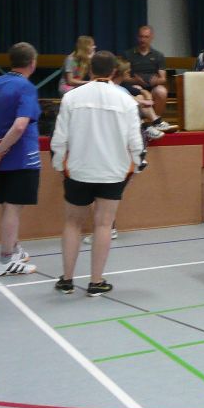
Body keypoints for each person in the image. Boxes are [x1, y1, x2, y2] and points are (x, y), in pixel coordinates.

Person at [51, 50, 146, 297]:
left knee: (72, 223)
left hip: (78, 170)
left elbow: (59, 138)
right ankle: (96, 281)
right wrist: (138, 164)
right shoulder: (126, 101)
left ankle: (67, 280)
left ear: (89, 69)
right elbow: (135, 140)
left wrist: (59, 165)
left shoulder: (71, 97)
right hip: (112, 173)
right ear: (114, 71)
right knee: (103, 224)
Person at [0, 42, 40, 276]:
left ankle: (13, 249)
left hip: (0, 160)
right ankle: (5, 260)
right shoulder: (26, 87)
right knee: (13, 207)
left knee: (9, 207)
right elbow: (21, 124)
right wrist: (0, 150)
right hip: (22, 157)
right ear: (32, 63)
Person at [123, 25, 174, 131]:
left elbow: (163, 78)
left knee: (161, 91)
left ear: (151, 38)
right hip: (135, 86)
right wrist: (134, 80)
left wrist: (156, 81)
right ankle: (144, 124)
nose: (143, 40)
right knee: (137, 92)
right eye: (141, 37)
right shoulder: (128, 54)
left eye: (146, 37)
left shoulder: (158, 55)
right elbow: (124, 77)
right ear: (137, 37)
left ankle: (156, 122)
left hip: (153, 86)